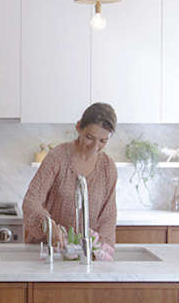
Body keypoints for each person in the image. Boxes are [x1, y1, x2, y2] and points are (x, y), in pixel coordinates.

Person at [23, 102, 117, 260]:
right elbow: (31, 201)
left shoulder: (108, 168)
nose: (94, 147)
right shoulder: (58, 157)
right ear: (79, 127)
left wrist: (99, 251)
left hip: (84, 258)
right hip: (49, 254)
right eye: (89, 137)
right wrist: (49, 227)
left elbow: (108, 217)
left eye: (102, 141)